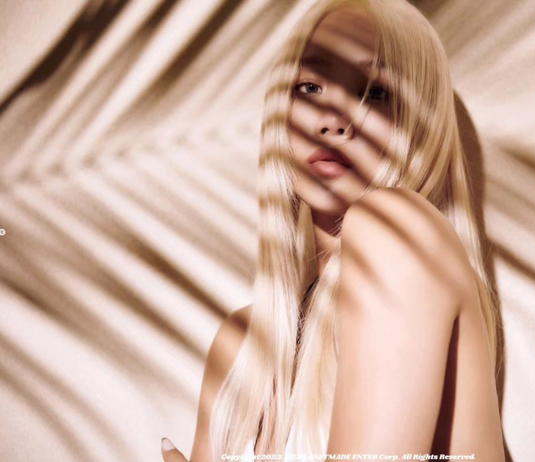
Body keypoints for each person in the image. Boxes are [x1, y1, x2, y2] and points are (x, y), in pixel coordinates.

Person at [161, 0, 505, 461]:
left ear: (420, 126)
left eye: (375, 92)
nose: (333, 119)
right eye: (309, 86)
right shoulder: (238, 348)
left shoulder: (397, 227)